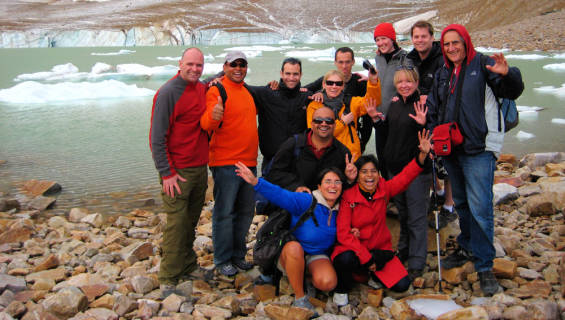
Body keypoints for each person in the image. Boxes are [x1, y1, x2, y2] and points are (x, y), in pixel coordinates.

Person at [426, 24, 524, 296]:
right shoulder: (444, 72)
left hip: (479, 148)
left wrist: (509, 74)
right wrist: (435, 136)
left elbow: (511, 90)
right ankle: (468, 245)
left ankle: (484, 266)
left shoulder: (483, 64)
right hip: (452, 149)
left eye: (455, 42)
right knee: (464, 204)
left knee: (481, 207)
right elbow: (434, 107)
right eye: (446, 44)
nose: (451, 48)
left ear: (465, 42)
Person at [331, 129, 433, 306]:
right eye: (364, 172)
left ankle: (373, 276)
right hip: (357, 250)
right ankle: (341, 289)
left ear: (379, 174)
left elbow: (405, 177)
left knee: (403, 285)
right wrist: (367, 259)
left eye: (373, 171)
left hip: (379, 250)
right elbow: (343, 234)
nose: (369, 176)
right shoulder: (348, 196)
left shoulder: (384, 189)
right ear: (358, 175)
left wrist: (421, 156)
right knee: (345, 259)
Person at [236, 162, 345, 314]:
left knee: (328, 283)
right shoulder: (307, 200)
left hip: (317, 255)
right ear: (319, 186)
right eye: (328, 181)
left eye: (337, 182)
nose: (332, 186)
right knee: (295, 248)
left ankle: (303, 278)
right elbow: (280, 195)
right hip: (290, 253)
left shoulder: (342, 209)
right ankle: (300, 298)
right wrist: (256, 182)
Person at [149, 47, 208, 295]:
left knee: (190, 221)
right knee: (176, 224)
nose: (194, 69)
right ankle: (168, 277)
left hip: (199, 168)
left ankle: (187, 264)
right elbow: (156, 137)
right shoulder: (167, 93)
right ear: (180, 63)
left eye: (199, 66)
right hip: (177, 171)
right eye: (190, 64)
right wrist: (166, 173)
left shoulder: (202, 87)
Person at [200, 50, 258, 277]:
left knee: (245, 211)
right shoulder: (217, 89)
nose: (238, 68)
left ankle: (238, 255)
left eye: (242, 64)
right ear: (225, 67)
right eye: (234, 64)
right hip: (225, 162)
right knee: (224, 212)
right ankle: (222, 258)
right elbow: (206, 125)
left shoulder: (247, 91)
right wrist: (214, 115)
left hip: (249, 162)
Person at [382, 68, 431, 279]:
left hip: (416, 170)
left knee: (417, 217)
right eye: (400, 82)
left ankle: (417, 261)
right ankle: (404, 250)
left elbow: (431, 133)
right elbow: (389, 133)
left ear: (416, 82)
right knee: (402, 213)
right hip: (395, 170)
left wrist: (424, 123)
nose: (404, 85)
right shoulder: (394, 104)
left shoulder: (422, 104)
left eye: (408, 81)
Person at [406, 20, 457, 227]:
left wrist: (430, 95)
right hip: (420, 114)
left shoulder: (442, 58)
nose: (419, 40)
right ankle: (437, 192)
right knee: (426, 154)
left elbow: (449, 83)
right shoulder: (410, 59)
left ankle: (449, 204)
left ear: (431, 37)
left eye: (423, 36)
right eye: (416, 37)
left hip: (442, 115)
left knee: (445, 156)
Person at [267, 106, 357, 193]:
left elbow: (345, 190)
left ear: (334, 125)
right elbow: (274, 173)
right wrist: (296, 187)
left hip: (327, 206)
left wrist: (350, 180)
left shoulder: (342, 152)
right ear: (312, 124)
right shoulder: (294, 144)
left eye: (329, 121)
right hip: (296, 203)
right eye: (318, 120)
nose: (324, 124)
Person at [249, 57, 311, 175]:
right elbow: (241, 87)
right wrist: (220, 79)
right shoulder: (267, 94)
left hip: (297, 162)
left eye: (295, 74)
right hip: (271, 161)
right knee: (270, 193)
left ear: (301, 75)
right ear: (281, 73)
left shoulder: (306, 97)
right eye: (288, 73)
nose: (291, 78)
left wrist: (319, 94)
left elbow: (330, 87)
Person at [305, 47, 373, 153]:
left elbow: (368, 114)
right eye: (340, 62)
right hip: (329, 136)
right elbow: (302, 91)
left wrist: (362, 142)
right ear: (335, 62)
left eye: (347, 62)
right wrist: (317, 93)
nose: (344, 66)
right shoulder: (327, 79)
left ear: (353, 62)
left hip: (351, 135)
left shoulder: (360, 82)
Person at [306, 69, 381, 162]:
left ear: (343, 86)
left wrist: (373, 82)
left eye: (338, 84)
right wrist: (342, 122)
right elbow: (315, 135)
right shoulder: (314, 106)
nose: (334, 86)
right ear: (324, 84)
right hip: (326, 156)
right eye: (330, 83)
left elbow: (373, 102)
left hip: (351, 156)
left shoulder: (351, 102)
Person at [372, 22, 412, 173]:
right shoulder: (379, 58)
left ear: (392, 38)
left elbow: (410, 82)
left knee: (397, 158)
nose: (381, 43)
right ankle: (387, 193)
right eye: (377, 40)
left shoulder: (405, 58)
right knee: (382, 157)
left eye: (384, 38)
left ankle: (399, 194)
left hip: (397, 116)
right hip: (380, 116)